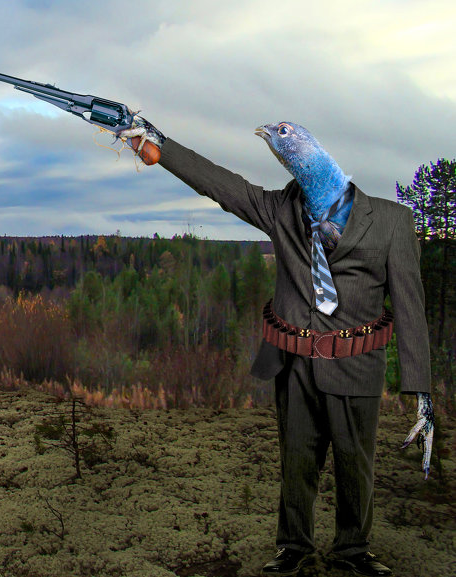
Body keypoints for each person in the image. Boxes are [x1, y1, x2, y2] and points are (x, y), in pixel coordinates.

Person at [121, 120, 432, 577]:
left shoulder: (390, 221)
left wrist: (420, 390)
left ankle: (353, 549)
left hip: (356, 365)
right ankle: (293, 546)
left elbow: (409, 305)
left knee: (355, 466)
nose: (268, 135)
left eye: (282, 133)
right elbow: (223, 185)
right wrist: (160, 146)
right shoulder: (282, 209)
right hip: (295, 364)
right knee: (297, 462)